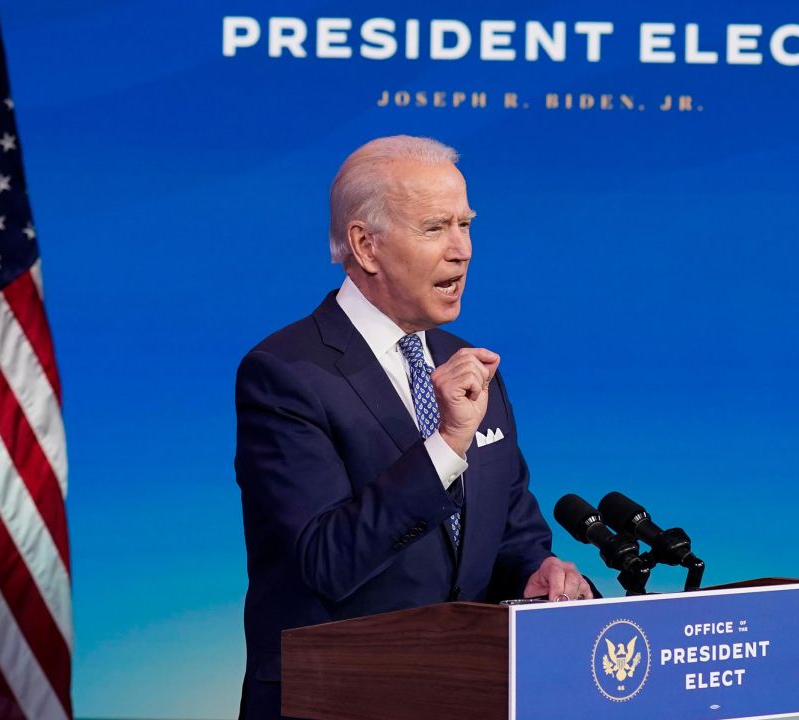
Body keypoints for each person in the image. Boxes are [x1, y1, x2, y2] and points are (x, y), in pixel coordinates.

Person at [234, 135, 590, 718]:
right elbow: (326, 560)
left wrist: (538, 572)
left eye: (466, 225)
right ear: (365, 245)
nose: (462, 250)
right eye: (435, 229)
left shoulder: (468, 366)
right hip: (337, 698)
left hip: (467, 694)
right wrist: (447, 443)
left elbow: (511, 534)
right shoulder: (285, 374)